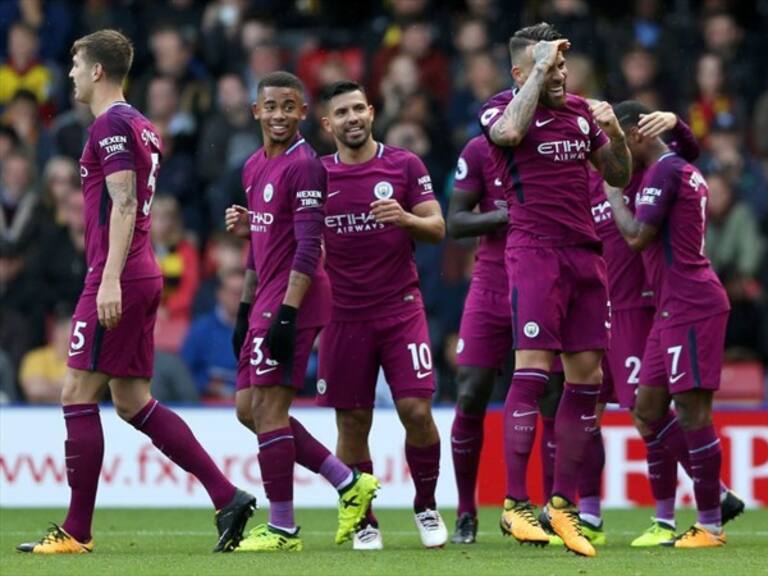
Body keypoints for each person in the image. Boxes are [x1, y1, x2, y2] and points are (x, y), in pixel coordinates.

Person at [17, 29, 255, 555]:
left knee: (77, 393)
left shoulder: (112, 125)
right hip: (138, 270)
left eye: (77, 65)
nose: (72, 75)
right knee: (131, 402)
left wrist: (106, 278)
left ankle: (76, 531)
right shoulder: (141, 125)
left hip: (118, 274)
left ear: (98, 70)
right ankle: (228, 497)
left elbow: (124, 204)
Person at [478, 22, 631, 557]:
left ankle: (562, 505)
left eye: (564, 64)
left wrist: (614, 133)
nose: (562, 73)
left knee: (586, 379)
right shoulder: (501, 107)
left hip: (586, 256)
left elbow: (617, 173)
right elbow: (507, 136)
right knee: (533, 369)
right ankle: (515, 503)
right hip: (535, 252)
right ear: (521, 72)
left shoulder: (582, 112)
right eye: (550, 65)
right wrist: (539, 69)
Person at [225, 71, 379, 553]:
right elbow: (259, 246)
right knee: (248, 409)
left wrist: (287, 315)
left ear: (302, 113)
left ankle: (283, 527)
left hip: (298, 295)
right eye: (270, 106)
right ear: (256, 112)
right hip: (267, 296)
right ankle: (348, 482)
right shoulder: (252, 167)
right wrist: (244, 307)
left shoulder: (306, 166)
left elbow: (310, 247)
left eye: (288, 107)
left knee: (270, 408)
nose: (278, 115)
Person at [316, 80, 447, 550]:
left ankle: (426, 505)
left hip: (399, 308)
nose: (352, 118)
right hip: (342, 316)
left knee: (416, 409)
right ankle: (364, 518)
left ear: (371, 112)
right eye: (342, 113)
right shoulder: (315, 174)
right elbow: (293, 235)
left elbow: (437, 225)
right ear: (328, 124)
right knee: (353, 422)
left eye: (358, 109)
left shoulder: (404, 165)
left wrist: (406, 219)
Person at [605, 99, 734, 549]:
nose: (616, 153)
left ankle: (711, 523)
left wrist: (612, 198)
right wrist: (678, 124)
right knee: (647, 408)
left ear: (638, 135)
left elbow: (639, 237)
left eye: (620, 142)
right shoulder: (674, 165)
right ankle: (718, 496)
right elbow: (690, 150)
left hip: (692, 302)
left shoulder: (664, 171)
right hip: (669, 307)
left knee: (693, 412)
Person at [446, 134, 564, 544]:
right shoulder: (479, 150)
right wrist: (500, 218)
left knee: (550, 391)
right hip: (491, 282)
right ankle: (465, 511)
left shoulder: (557, 144)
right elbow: (455, 221)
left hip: (543, 278)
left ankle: (550, 509)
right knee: (471, 390)